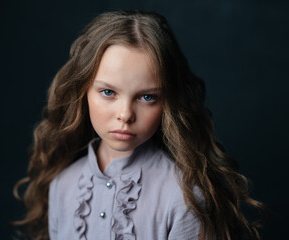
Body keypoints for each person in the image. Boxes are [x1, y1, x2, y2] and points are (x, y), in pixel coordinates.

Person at [14, 10, 266, 240]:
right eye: (108, 92)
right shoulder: (63, 185)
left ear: (167, 102)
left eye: (147, 97)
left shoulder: (184, 198)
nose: (125, 114)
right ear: (83, 92)